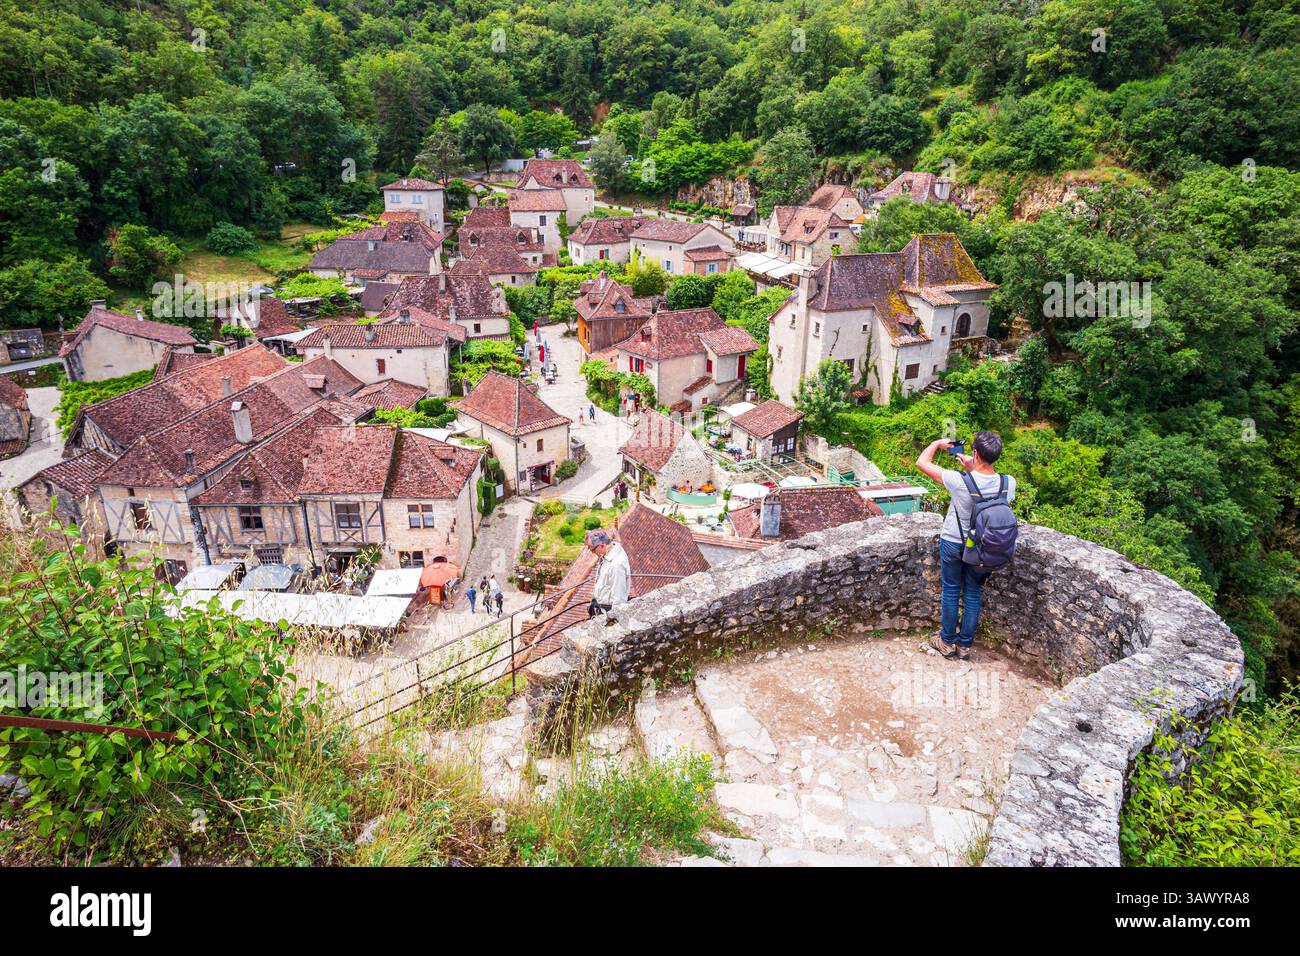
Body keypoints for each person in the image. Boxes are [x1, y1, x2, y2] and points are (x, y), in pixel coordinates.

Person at [915, 430, 1016, 662]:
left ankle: (947, 641)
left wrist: (936, 442)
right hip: (984, 547)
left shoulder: (959, 481)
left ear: (975, 453)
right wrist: (974, 467)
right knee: (973, 593)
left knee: (951, 590)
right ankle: (965, 647)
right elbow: (986, 492)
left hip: (954, 541)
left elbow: (922, 462)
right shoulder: (1008, 483)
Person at [585, 529, 630, 619]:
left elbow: (619, 599)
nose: (592, 552)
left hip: (607, 612)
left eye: (592, 549)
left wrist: (613, 623)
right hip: (601, 608)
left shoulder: (616, 565)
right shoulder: (610, 551)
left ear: (602, 545)